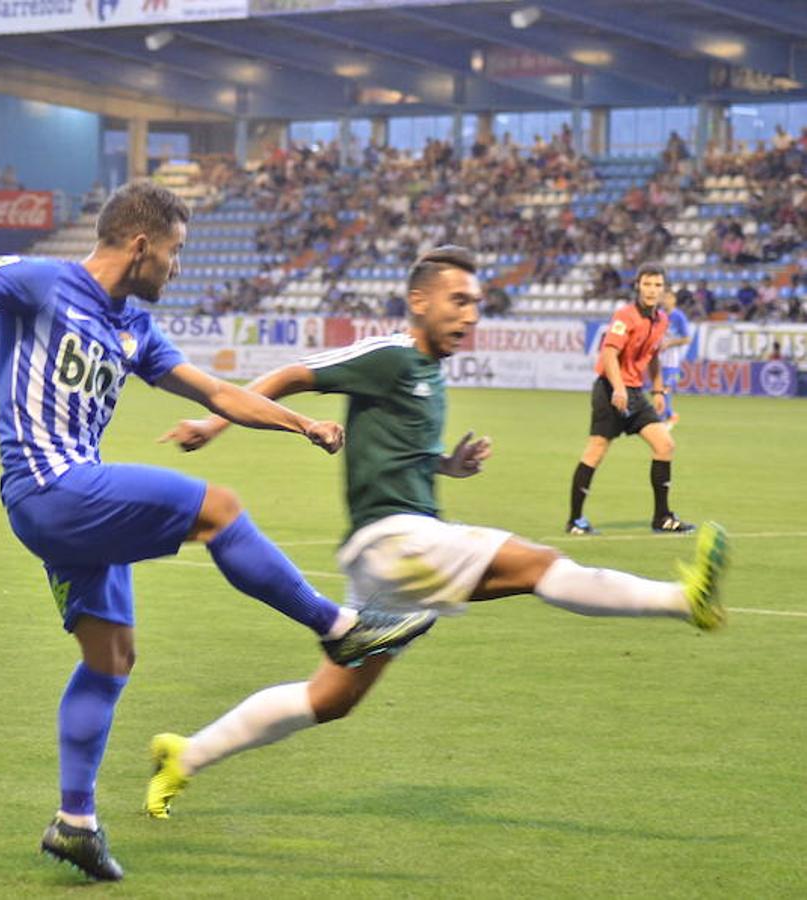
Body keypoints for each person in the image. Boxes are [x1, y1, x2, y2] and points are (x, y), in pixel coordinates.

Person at [0, 182, 435, 883]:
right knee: (217, 508)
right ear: (141, 244)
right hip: (51, 489)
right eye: (175, 251)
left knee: (110, 660)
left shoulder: (134, 328)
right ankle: (338, 626)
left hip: (71, 508)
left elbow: (219, 394)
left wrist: (302, 423)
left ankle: (75, 823)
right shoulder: (44, 283)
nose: (176, 266)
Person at [143, 246, 730, 820]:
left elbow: (402, 458)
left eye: (476, 302)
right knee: (539, 565)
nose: (470, 313)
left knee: (332, 698)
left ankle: (185, 755)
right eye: (458, 300)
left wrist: (447, 465)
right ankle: (684, 600)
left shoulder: (429, 374)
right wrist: (213, 423)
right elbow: (291, 375)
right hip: (395, 543)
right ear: (419, 301)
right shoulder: (392, 356)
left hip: (390, 557)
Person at [567, 263, 693, 536]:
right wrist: (618, 388)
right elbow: (609, 353)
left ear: (664, 289)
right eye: (647, 284)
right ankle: (575, 520)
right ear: (637, 285)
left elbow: (654, 356)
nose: (652, 290)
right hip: (610, 390)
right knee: (596, 451)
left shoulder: (662, 320)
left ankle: (662, 517)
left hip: (635, 393)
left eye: (658, 285)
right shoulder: (625, 316)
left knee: (665, 444)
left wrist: (658, 390)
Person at [658, 290, 691, 428]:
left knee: (666, 388)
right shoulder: (658, 315)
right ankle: (667, 415)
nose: (664, 300)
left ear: (673, 300)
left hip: (672, 360)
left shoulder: (679, 317)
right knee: (660, 388)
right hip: (659, 359)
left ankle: (668, 416)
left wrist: (670, 343)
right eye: (663, 297)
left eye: (667, 297)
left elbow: (687, 339)